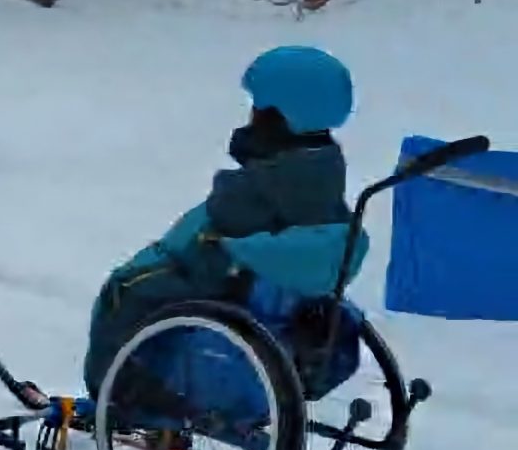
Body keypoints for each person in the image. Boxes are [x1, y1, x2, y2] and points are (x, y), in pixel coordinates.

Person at [82, 45, 365, 398]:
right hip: (273, 297)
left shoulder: (260, 185)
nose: (251, 113)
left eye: (258, 107)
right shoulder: (325, 171)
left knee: (124, 290)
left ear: (280, 114)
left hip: (218, 279)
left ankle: (115, 393)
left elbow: (217, 229)